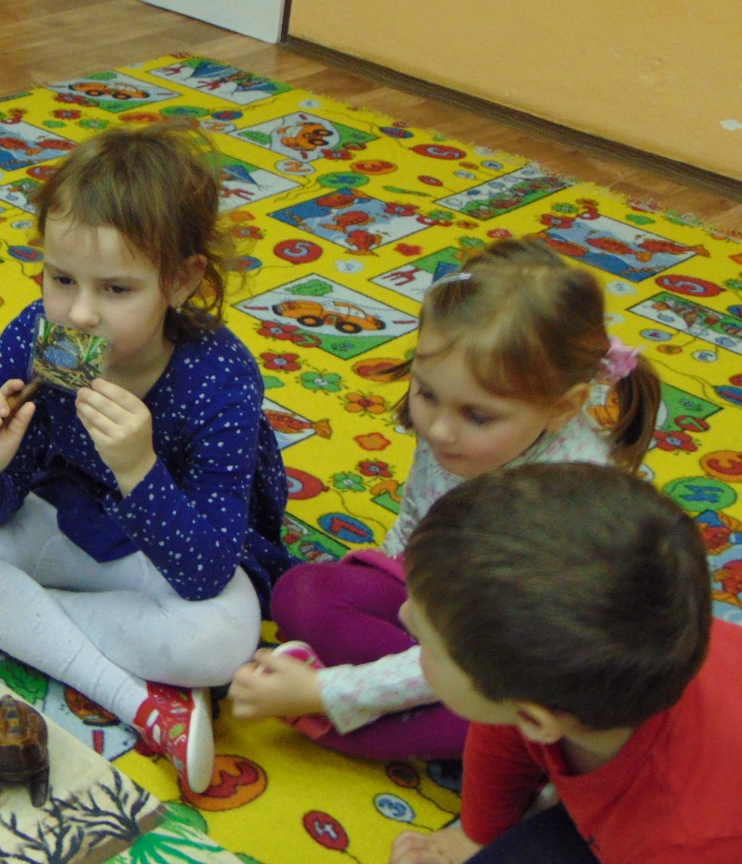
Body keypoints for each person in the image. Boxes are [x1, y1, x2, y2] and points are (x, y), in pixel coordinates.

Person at [0, 122, 295, 793]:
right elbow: (1, 504)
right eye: (61, 278)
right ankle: (141, 699)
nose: (79, 313)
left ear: (181, 280)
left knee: (225, 637)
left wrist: (139, 468)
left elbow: (205, 572)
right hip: (66, 529)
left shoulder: (220, 375)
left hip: (162, 565)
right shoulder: (38, 337)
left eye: (116, 289)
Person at [229, 238, 661, 761]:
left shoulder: (562, 504)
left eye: (477, 415)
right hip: (447, 611)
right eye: (426, 393)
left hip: (513, 665)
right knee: (301, 592)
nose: (438, 429)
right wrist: (381, 592)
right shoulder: (454, 428)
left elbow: (485, 655)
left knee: (501, 730)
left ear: (562, 408)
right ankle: (385, 693)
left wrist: (326, 692)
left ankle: (352, 715)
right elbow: (415, 519)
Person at [389, 464, 742, 863]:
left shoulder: (680, 841)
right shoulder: (557, 682)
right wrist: (478, 835)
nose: (402, 614)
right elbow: (501, 738)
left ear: (535, 720)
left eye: (429, 646)